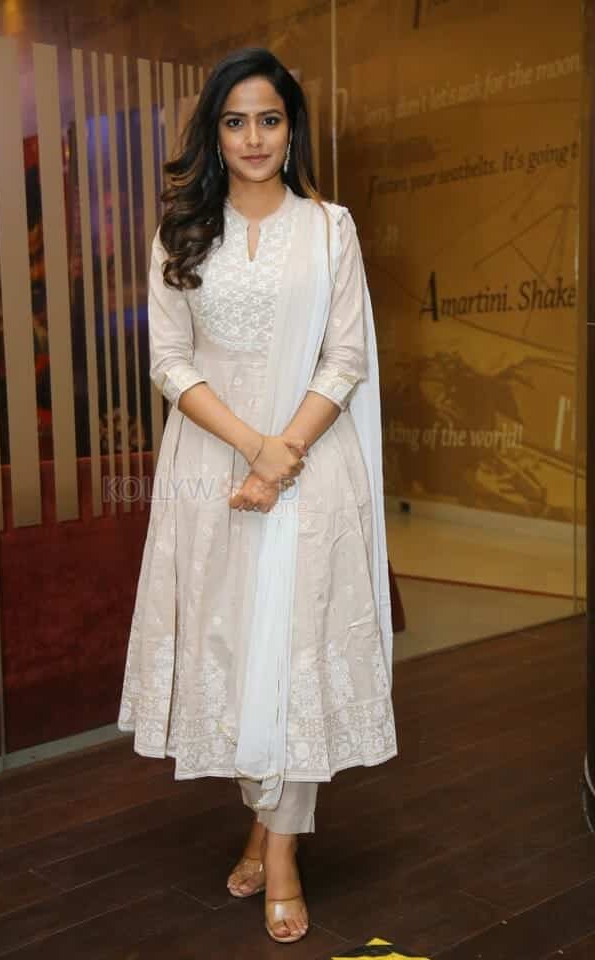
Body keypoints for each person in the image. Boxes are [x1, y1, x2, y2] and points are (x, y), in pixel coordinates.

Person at [117, 46, 397, 945]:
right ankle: (263, 823)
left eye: (269, 119)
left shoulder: (330, 229)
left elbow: (345, 357)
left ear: (291, 128)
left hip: (313, 467)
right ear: (214, 133)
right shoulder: (180, 236)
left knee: (294, 652)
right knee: (242, 657)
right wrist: (255, 449)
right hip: (213, 471)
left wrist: (285, 456)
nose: (253, 137)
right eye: (235, 121)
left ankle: (279, 856)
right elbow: (169, 363)